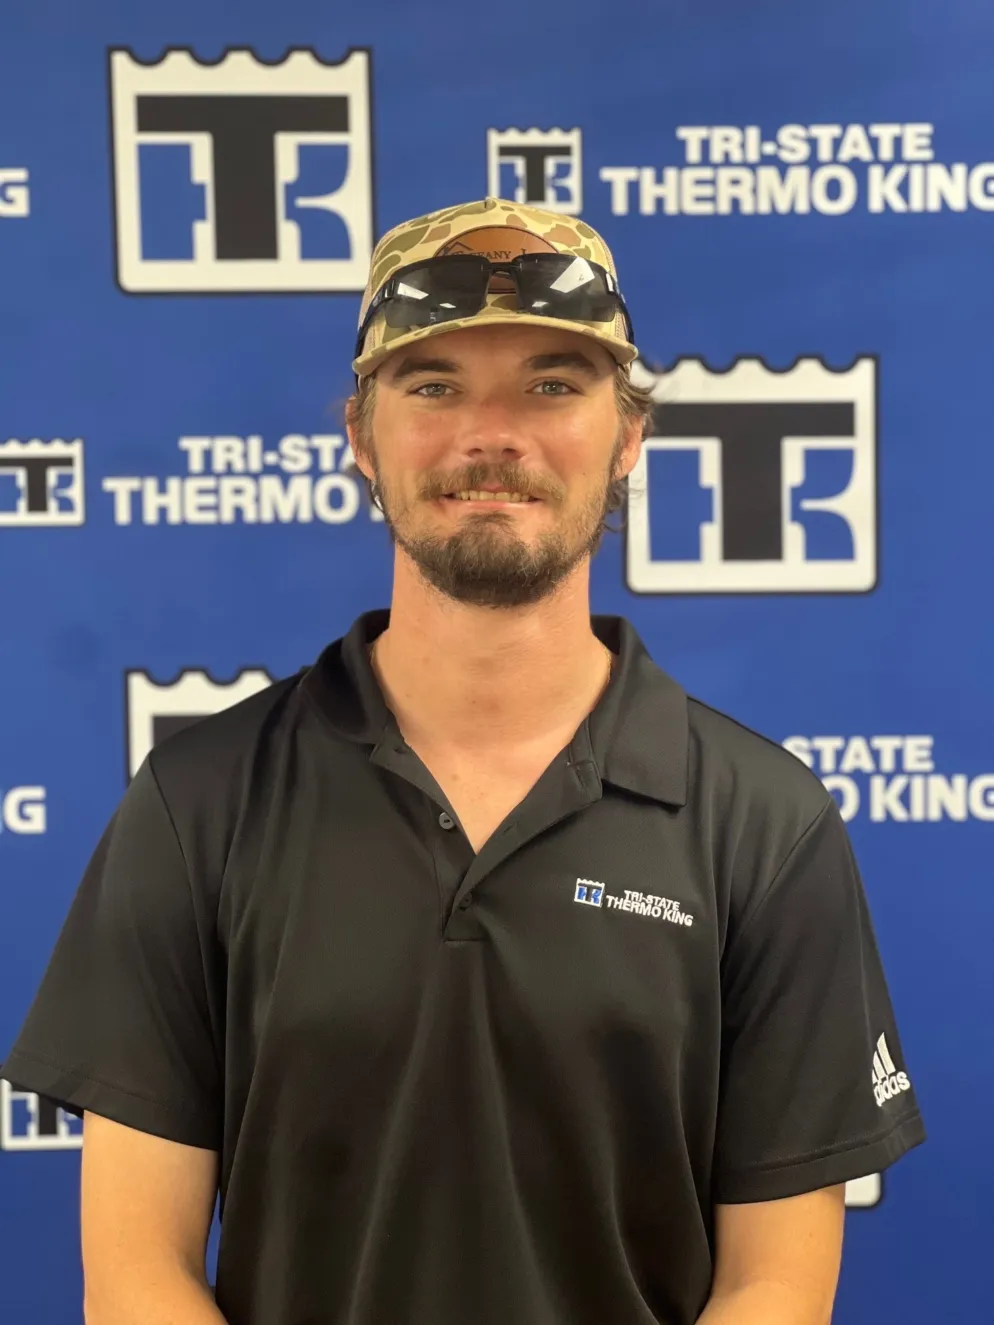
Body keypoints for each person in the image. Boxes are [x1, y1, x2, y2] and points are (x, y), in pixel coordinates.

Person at [0, 196, 924, 1325]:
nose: (492, 436)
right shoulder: (199, 803)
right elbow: (136, 1274)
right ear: (361, 436)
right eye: (434, 386)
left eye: (552, 384)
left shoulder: (764, 824)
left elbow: (774, 1286)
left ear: (629, 436)